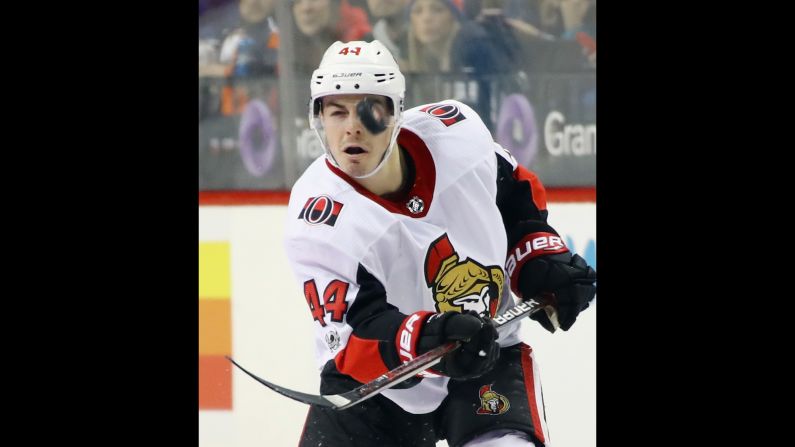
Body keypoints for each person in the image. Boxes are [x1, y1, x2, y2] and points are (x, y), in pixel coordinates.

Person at [284, 40, 596, 447]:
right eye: (337, 112)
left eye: (370, 111)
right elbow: (360, 335)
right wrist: (431, 335)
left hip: (488, 354)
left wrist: (537, 259)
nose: (352, 127)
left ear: (396, 114)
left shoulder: (457, 133)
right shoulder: (318, 216)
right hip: (379, 385)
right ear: (318, 120)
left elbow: (516, 197)